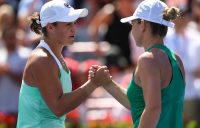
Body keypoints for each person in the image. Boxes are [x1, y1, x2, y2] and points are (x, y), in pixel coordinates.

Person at [89, 0, 186, 127]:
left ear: (142, 24)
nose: (131, 28)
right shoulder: (177, 60)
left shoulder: (147, 60)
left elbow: (153, 110)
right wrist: (107, 83)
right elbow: (139, 104)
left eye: (132, 23)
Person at [16, 0, 101, 128]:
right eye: (68, 24)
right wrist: (92, 84)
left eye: (74, 23)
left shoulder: (55, 57)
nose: (74, 28)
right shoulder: (41, 59)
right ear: (50, 27)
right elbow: (58, 107)